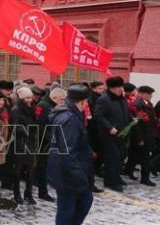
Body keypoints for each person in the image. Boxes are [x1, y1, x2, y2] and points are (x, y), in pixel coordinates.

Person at [48, 83, 94, 225]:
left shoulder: (72, 114)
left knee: (81, 203)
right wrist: (79, 175)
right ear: (81, 101)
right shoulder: (69, 118)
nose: (87, 105)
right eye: (86, 101)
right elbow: (67, 151)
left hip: (69, 169)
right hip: (68, 172)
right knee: (68, 207)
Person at [93, 76, 130, 192]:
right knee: (112, 158)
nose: (120, 89)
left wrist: (132, 119)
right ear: (112, 88)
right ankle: (110, 182)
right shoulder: (103, 99)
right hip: (109, 134)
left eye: (121, 87)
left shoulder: (121, 99)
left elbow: (126, 112)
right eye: (118, 87)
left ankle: (117, 177)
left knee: (121, 156)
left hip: (122, 133)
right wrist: (109, 127)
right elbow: (98, 115)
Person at [34, 87, 65, 202]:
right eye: (61, 99)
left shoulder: (54, 105)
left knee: (47, 166)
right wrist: (51, 138)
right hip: (43, 142)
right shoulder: (43, 105)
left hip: (51, 140)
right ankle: (42, 192)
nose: (63, 102)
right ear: (54, 97)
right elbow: (40, 125)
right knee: (42, 167)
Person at [11, 86, 39, 205]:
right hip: (19, 142)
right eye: (27, 98)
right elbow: (15, 127)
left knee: (31, 169)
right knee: (18, 169)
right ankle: (17, 194)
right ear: (22, 98)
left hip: (31, 141)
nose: (30, 100)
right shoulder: (16, 109)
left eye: (30, 97)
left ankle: (28, 194)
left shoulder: (31, 108)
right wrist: (28, 128)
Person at [125, 85, 157, 186]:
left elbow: (152, 118)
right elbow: (137, 124)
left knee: (136, 156)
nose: (150, 96)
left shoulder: (149, 104)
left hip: (148, 134)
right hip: (141, 135)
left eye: (151, 94)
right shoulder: (137, 105)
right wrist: (140, 138)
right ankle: (144, 178)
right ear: (141, 94)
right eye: (148, 94)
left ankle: (129, 171)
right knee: (144, 157)